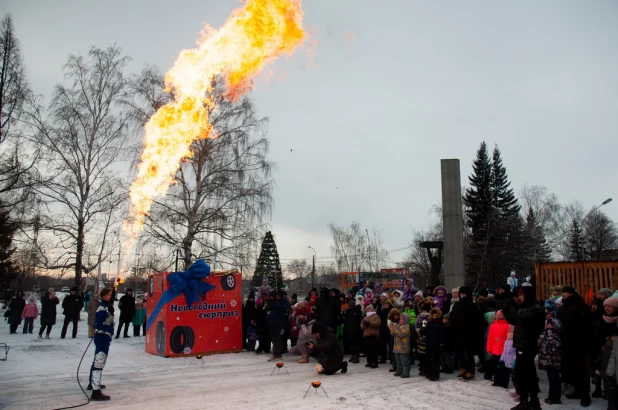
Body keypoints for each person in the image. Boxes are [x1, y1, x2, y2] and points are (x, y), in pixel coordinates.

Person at [502, 286, 545, 410]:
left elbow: (525, 321)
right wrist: (506, 310)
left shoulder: (535, 309)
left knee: (526, 374)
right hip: (521, 343)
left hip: (527, 345)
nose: (519, 298)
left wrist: (512, 310)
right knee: (522, 373)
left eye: (521, 295)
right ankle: (526, 399)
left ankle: (530, 400)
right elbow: (514, 321)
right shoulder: (523, 307)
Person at [557, 285, 593, 407]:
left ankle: (585, 395)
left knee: (581, 369)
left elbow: (587, 324)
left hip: (579, 343)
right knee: (571, 368)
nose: (562, 295)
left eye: (565, 293)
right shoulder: (563, 308)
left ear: (571, 294)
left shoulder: (581, 306)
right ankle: (577, 390)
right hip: (566, 343)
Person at [449, 286, 484, 381]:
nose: (462, 296)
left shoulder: (472, 306)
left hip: (468, 334)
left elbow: (477, 320)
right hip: (458, 332)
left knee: (468, 353)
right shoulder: (457, 305)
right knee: (460, 352)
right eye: (461, 294)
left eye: (464, 294)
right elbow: (452, 316)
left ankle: (471, 370)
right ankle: (463, 368)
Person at [88, 288, 114, 401]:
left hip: (104, 337)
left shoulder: (105, 307)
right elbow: (102, 324)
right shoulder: (102, 308)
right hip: (102, 337)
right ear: (103, 296)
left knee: (97, 361)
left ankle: (93, 383)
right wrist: (110, 316)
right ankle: (95, 391)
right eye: (108, 295)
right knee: (99, 362)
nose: (110, 297)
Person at [538, 310, 563, 405]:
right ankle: (551, 395)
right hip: (546, 359)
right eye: (547, 324)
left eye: (550, 324)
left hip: (554, 360)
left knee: (555, 378)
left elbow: (554, 348)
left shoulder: (555, 335)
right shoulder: (545, 333)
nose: (548, 326)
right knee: (550, 378)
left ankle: (556, 397)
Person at [487, 310, 510, 385]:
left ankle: (504, 382)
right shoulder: (492, 326)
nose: (498, 316)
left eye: (500, 315)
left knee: (504, 368)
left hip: (503, 350)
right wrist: (489, 349)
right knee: (495, 366)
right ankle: (496, 381)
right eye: (497, 315)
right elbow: (490, 338)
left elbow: (508, 339)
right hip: (495, 349)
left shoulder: (507, 326)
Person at [266, 290, 289, 362]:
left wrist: (275, 304)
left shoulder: (284, 301)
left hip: (280, 323)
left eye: (278, 296)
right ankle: (277, 353)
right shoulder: (272, 302)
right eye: (276, 296)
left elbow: (284, 309)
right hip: (272, 322)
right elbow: (267, 309)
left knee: (278, 338)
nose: (277, 297)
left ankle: (276, 354)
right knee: (273, 338)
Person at [389, 311, 412, 378]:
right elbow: (392, 334)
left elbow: (401, 334)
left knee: (404, 361)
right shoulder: (398, 325)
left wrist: (394, 329)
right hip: (397, 347)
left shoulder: (406, 326)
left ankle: (406, 372)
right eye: (400, 319)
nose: (400, 320)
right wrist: (392, 327)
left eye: (402, 319)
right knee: (398, 360)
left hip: (403, 347)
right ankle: (399, 370)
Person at [425, 307, 445, 381]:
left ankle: (435, 375)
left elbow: (442, 334)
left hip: (436, 344)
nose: (435, 315)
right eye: (433, 313)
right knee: (429, 359)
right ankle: (429, 373)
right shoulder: (429, 322)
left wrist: (441, 343)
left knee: (435, 360)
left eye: (436, 313)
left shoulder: (440, 323)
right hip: (429, 343)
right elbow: (424, 332)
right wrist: (423, 328)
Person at [360, 304, 381, 368]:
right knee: (368, 349)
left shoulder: (376, 316)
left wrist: (369, 323)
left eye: (369, 309)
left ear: (372, 309)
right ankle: (369, 362)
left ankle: (375, 362)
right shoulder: (365, 317)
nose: (368, 310)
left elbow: (378, 324)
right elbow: (361, 326)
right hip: (367, 335)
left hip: (373, 335)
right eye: (367, 310)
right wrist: (365, 324)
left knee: (373, 349)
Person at [344, 298, 363, 364]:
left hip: (356, 330)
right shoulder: (348, 311)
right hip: (349, 330)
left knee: (356, 344)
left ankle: (356, 356)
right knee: (351, 344)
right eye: (349, 304)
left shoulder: (357, 311)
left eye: (351, 304)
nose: (350, 305)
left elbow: (359, 321)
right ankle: (352, 355)